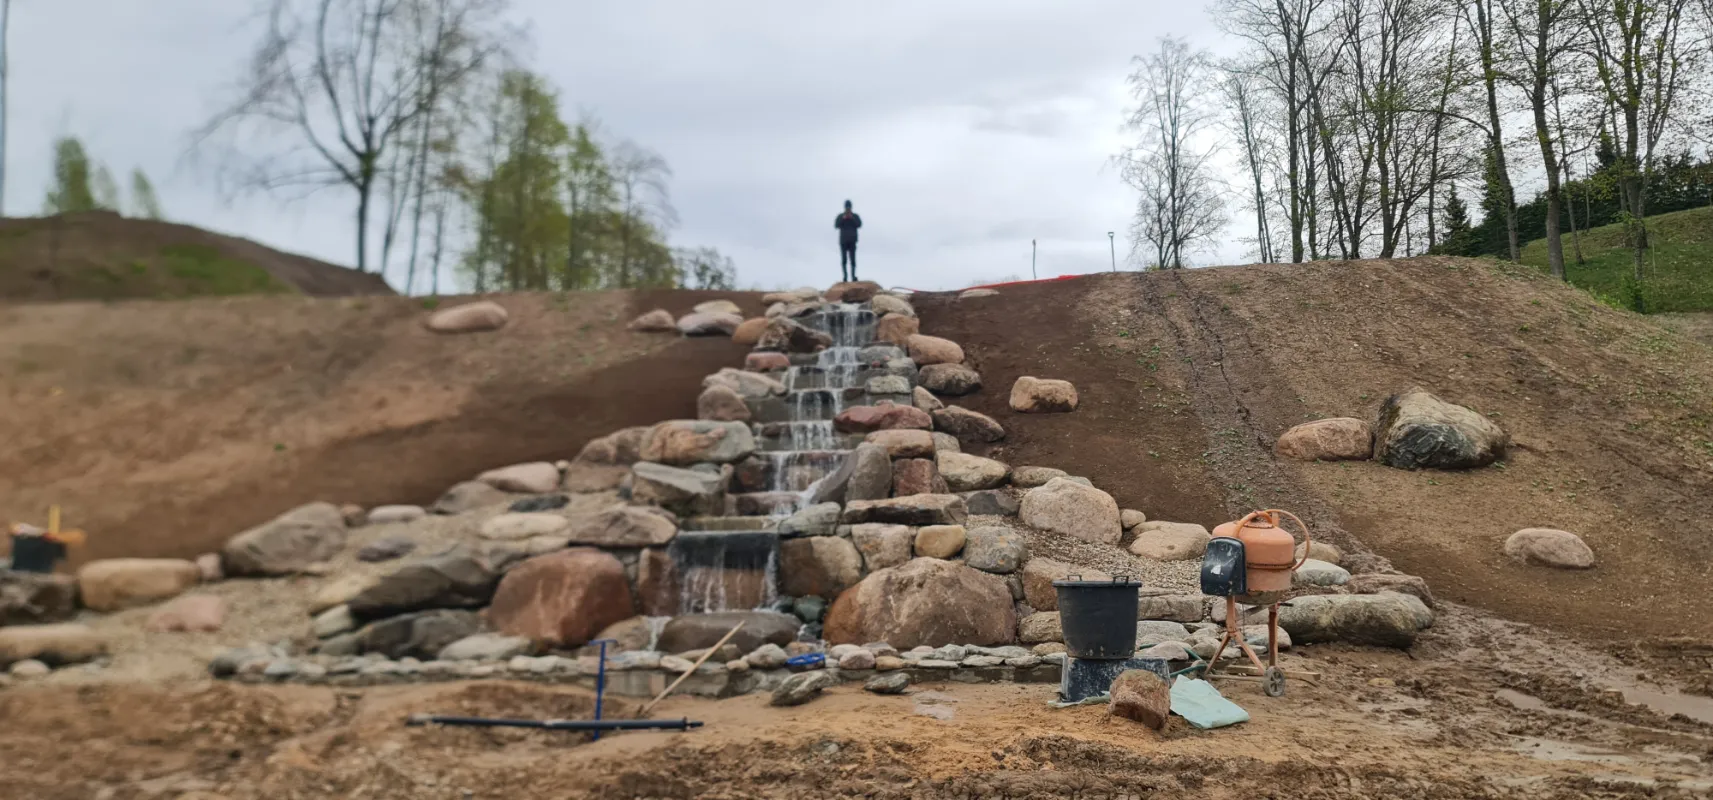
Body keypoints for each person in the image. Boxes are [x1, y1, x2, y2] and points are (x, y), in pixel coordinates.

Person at [834, 200, 863, 281]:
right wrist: (843, 218)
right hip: (843, 241)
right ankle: (845, 277)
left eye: (849, 207)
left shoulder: (855, 216)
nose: (848, 208)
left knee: (853, 260)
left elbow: (859, 224)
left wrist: (852, 218)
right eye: (847, 207)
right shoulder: (841, 216)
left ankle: (853, 276)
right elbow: (836, 225)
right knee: (844, 260)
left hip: (852, 241)